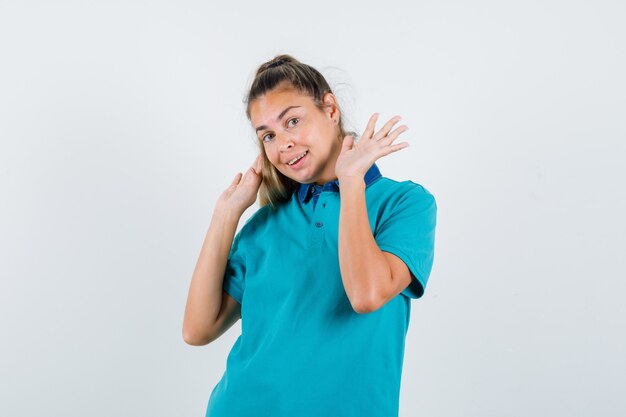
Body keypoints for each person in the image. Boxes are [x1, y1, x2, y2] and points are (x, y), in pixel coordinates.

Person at [183, 54, 437, 417]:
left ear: (330, 108)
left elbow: (366, 295)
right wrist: (226, 213)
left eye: (293, 121)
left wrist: (350, 182)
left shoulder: (404, 203)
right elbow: (197, 329)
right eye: (268, 135)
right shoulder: (264, 225)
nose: (282, 143)